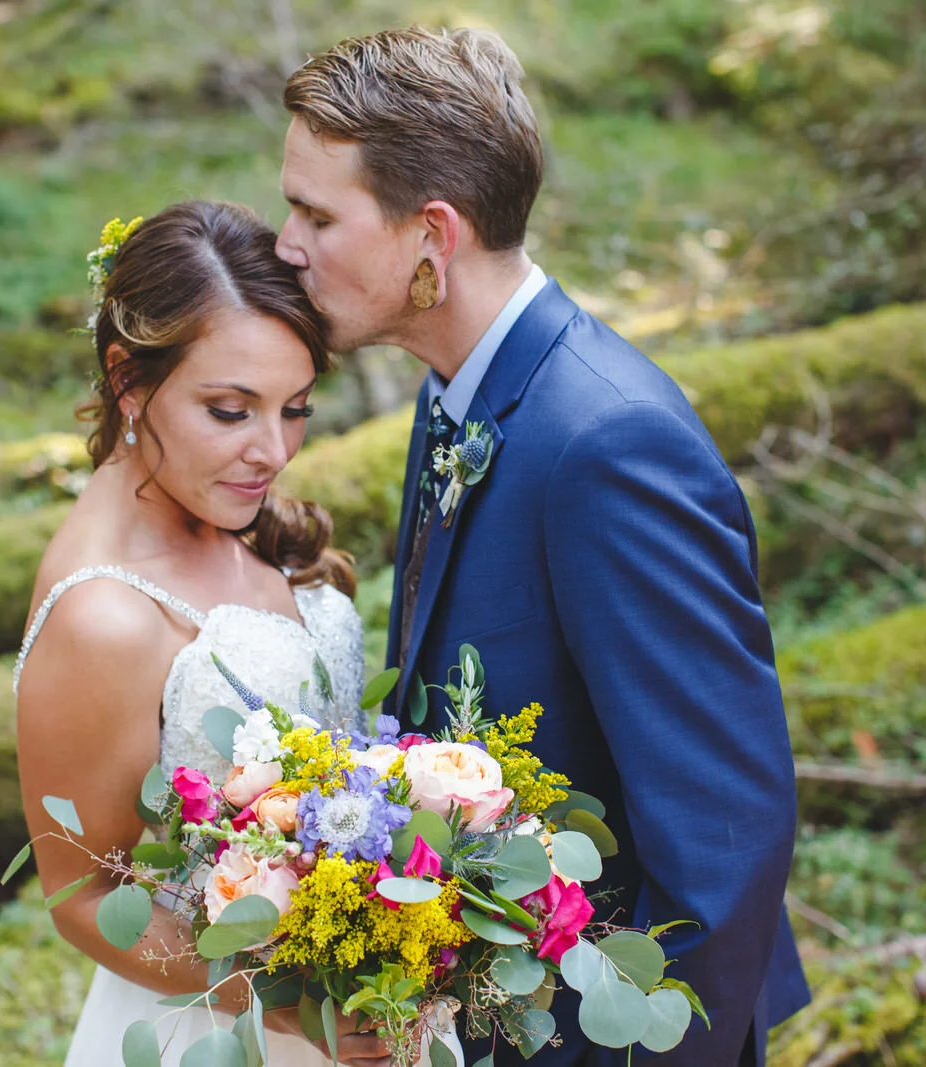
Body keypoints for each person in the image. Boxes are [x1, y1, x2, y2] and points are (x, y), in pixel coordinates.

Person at [275, 28, 810, 1066]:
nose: (286, 243)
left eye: (316, 214)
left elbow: (724, 842)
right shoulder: (457, 398)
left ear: (431, 235)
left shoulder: (610, 443)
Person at [14, 200, 395, 1066]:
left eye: (295, 408)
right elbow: (81, 896)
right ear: (128, 380)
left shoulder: (219, 505)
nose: (274, 450)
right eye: (231, 410)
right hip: (220, 1034)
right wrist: (293, 1008)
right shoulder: (101, 615)